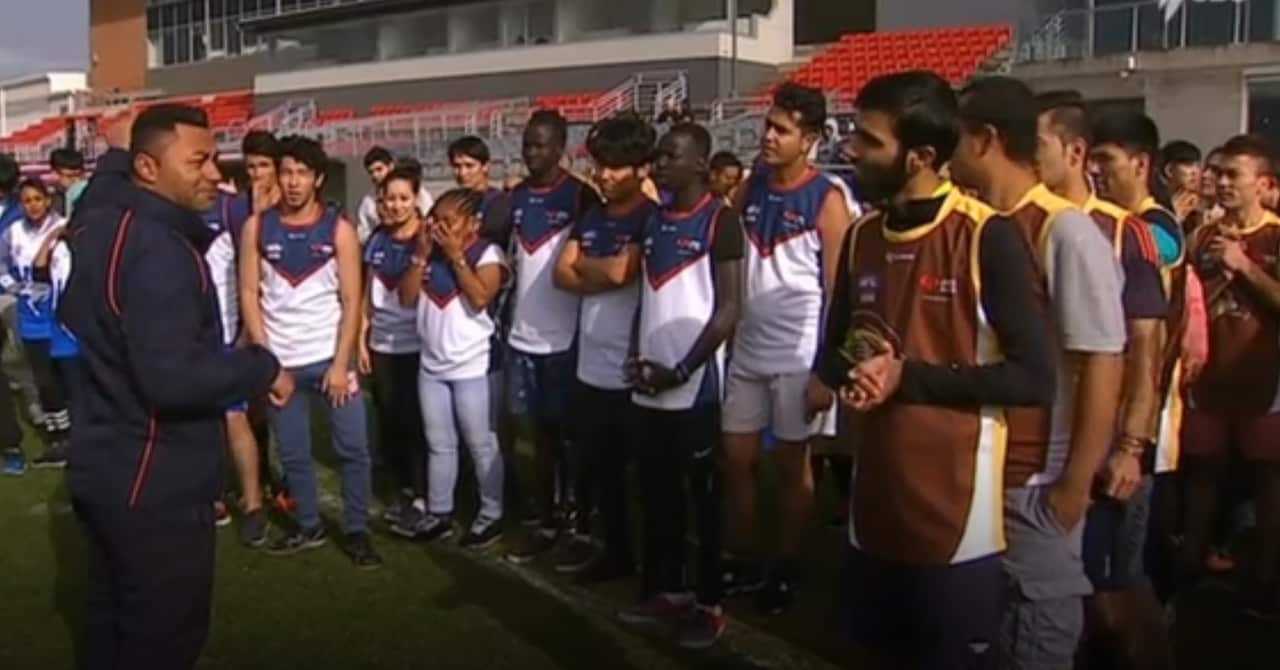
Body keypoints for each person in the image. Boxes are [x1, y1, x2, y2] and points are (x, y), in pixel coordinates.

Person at [822, 70, 1054, 668]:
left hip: (955, 515)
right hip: (874, 506)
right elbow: (832, 353)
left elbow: (1033, 378)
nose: (852, 150)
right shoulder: (861, 235)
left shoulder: (986, 235)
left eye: (869, 140)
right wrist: (857, 372)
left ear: (920, 157)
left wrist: (906, 377)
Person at [60, 105, 292, 670]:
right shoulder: (160, 251)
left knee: (110, 626)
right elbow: (174, 379)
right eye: (198, 161)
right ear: (147, 168)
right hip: (155, 482)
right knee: (161, 640)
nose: (215, 173)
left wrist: (117, 151)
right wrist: (261, 367)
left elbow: (94, 204)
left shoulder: (103, 223)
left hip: (104, 467)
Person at [949, 76, 1127, 669]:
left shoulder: (1064, 230)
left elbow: (1103, 359)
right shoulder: (972, 222)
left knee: (1036, 637)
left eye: (954, 135)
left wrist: (1074, 484)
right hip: (979, 473)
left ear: (984, 140)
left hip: (1036, 479)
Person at [1035, 92, 1175, 669]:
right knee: (1060, 597)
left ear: (1074, 152)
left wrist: (1130, 446)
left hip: (1108, 443)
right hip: (1041, 444)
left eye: (1036, 144)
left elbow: (1146, 347)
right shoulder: (1021, 224)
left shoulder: (1124, 232)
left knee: (1114, 594)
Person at [723, 82, 850, 614]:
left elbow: (839, 290)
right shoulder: (752, 186)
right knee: (736, 459)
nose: (768, 136)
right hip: (747, 348)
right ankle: (745, 556)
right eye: (767, 126)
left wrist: (828, 369)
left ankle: (785, 566)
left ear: (811, 138)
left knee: (791, 467)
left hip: (798, 355)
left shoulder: (828, 198)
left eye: (782, 129)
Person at [617, 122, 741, 650]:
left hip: (693, 388)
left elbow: (729, 309)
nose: (660, 164)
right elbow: (646, 295)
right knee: (658, 494)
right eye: (659, 156)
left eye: (671, 156)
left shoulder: (721, 221)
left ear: (700, 164)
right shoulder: (653, 219)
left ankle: (710, 604)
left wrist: (683, 369)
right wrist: (634, 354)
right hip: (649, 382)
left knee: (703, 500)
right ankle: (668, 591)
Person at [239, 135, 381, 568]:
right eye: (286, 172)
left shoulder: (340, 230)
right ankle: (308, 525)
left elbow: (352, 301)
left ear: (318, 179)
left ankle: (357, 530)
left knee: (353, 448)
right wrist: (268, 363)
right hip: (282, 363)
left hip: (330, 360)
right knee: (294, 453)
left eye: (302, 173)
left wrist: (341, 364)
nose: (293, 181)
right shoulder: (256, 227)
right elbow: (249, 294)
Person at [551, 113, 658, 580]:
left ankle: (655, 565)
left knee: (645, 475)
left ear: (642, 168)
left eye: (616, 166)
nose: (605, 175)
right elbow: (561, 273)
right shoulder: (592, 214)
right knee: (603, 468)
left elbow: (621, 273)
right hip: (591, 364)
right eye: (600, 165)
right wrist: (603, 269)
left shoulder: (649, 217)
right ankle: (614, 552)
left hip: (632, 369)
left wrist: (590, 268)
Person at [1180, 134, 1280, 617]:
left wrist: (1244, 268)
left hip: (1266, 383)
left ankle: (1267, 579)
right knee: (1202, 475)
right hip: (1207, 383)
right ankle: (1189, 569)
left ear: (1263, 184)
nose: (1221, 183)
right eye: (1217, 173)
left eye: (1232, 175)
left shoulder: (1276, 236)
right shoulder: (1202, 237)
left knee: (1268, 482)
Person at [501, 110, 602, 564]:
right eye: (527, 144)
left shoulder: (581, 196)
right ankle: (544, 521)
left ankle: (578, 521)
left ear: (560, 148)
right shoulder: (516, 197)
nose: (531, 153)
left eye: (540, 145)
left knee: (570, 440)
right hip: (523, 339)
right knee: (537, 439)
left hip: (567, 340)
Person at [397, 188, 508, 547]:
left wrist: (457, 257)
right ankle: (440, 511)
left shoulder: (487, 253)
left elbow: (480, 297)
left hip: (474, 366)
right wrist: (419, 257)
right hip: (432, 365)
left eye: (450, 221)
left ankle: (491, 514)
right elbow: (406, 297)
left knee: (481, 444)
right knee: (439, 444)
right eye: (435, 220)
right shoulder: (426, 254)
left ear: (473, 224)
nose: (440, 228)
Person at [359, 168, 429, 536]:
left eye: (403, 198)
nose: (396, 205)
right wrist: (361, 338)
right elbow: (367, 293)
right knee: (389, 420)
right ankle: (401, 489)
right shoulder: (377, 238)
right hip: (382, 345)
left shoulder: (426, 238)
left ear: (416, 199)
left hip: (417, 344)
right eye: (389, 198)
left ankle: (422, 494)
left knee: (416, 421)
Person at [0, 179, 69, 467]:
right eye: (27, 201)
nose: (33, 206)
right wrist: (16, 288)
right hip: (30, 316)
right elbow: (2, 264)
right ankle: (57, 438)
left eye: (37, 199)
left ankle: (74, 436)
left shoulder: (64, 227)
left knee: (65, 376)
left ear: (48, 200)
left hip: (59, 315)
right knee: (43, 379)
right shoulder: (13, 232)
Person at [357, 145, 433, 244]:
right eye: (371, 172)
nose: (375, 175)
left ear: (391, 166)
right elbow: (363, 233)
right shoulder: (367, 202)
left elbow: (428, 218)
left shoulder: (417, 192)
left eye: (379, 169)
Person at [1162, 139, 1202, 222]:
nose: (1195, 171)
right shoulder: (1156, 206)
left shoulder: (1201, 205)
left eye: (1198, 166)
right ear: (1169, 170)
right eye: (1188, 165)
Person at [49, 147, 88, 218]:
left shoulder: (91, 195)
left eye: (79, 175)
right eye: (70, 176)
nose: (77, 180)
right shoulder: (48, 202)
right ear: (55, 174)